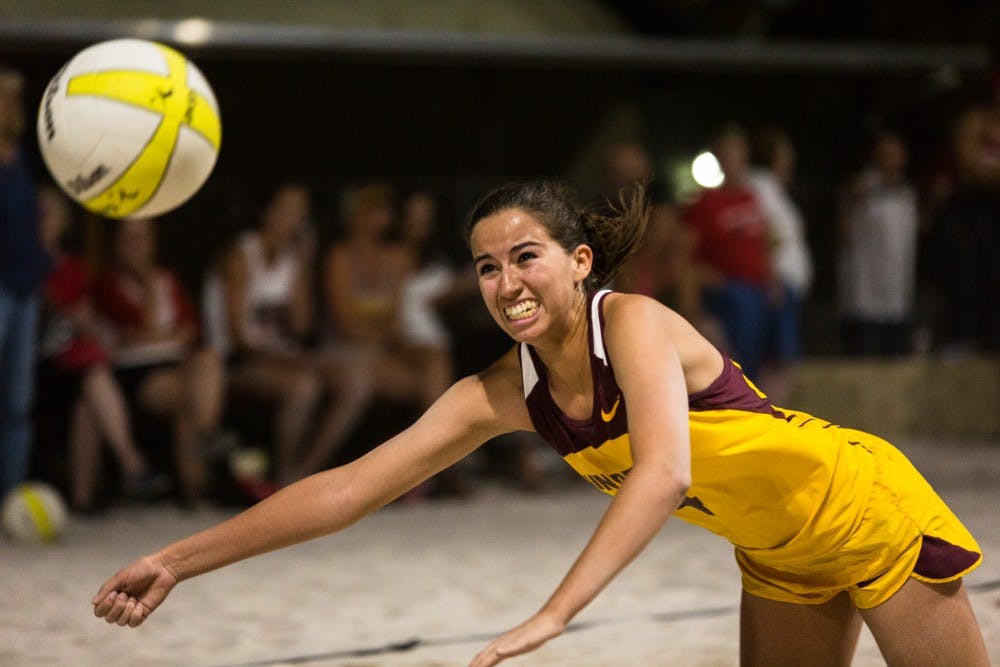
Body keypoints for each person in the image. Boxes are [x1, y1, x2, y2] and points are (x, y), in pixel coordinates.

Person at [94, 181, 988, 667]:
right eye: (486, 267)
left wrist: (553, 614)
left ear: (580, 261)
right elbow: (347, 489)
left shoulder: (631, 322)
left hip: (866, 511)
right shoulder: (501, 390)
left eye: (526, 256)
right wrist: (176, 558)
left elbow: (664, 472)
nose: (506, 281)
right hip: (777, 556)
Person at [202, 182, 370, 487]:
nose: (294, 221)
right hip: (234, 362)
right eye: (287, 211)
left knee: (355, 381)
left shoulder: (292, 258)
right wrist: (290, 359)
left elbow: (301, 327)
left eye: (300, 214)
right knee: (303, 387)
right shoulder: (240, 255)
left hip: (281, 356)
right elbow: (239, 338)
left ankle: (304, 473)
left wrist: (304, 266)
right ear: (266, 212)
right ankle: (283, 478)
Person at [36, 186, 169, 512]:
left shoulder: (74, 267)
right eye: (37, 212)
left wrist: (83, 320)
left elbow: (89, 321)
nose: (43, 220)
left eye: (51, 213)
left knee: (89, 396)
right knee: (94, 375)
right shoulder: (22, 265)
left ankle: (84, 498)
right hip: (33, 364)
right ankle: (133, 463)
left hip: (72, 363)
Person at [94, 217, 228, 506]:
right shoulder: (108, 283)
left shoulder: (171, 279)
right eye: (129, 237)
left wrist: (157, 333)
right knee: (187, 396)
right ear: (116, 244)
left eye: (142, 237)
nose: (136, 245)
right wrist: (150, 286)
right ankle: (197, 486)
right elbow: (135, 330)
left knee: (209, 359)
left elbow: (192, 329)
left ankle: (207, 435)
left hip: (177, 363)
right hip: (134, 373)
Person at [683, 125, 774, 382]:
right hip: (731, 292)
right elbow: (685, 251)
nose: (735, 162)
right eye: (729, 156)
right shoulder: (706, 203)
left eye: (740, 156)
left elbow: (764, 240)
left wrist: (772, 276)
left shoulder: (752, 197)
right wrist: (708, 277)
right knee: (741, 347)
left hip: (759, 287)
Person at [0, 64, 53, 497]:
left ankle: (10, 497)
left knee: (18, 402)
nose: (10, 107)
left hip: (24, 287)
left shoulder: (23, 155)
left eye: (15, 98)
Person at [837, 131, 919, 356]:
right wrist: (850, 201)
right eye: (885, 153)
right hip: (867, 299)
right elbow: (843, 232)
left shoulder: (907, 192)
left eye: (896, 153)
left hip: (898, 296)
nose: (891, 158)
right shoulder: (861, 187)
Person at [747, 126, 813, 404]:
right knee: (779, 356)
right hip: (777, 283)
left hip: (787, 284)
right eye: (785, 153)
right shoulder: (758, 185)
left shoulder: (774, 187)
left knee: (782, 355)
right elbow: (761, 234)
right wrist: (770, 277)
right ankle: (773, 414)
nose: (791, 158)